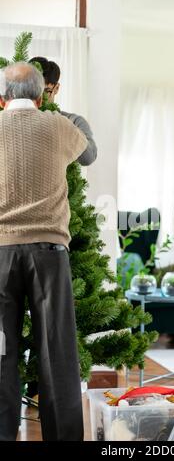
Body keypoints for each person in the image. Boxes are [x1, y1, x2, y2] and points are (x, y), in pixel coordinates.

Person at [0, 62, 88, 441]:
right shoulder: (59, 126)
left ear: (1, 99)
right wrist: (58, 111)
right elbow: (88, 155)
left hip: (0, 256)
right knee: (57, 351)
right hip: (49, 255)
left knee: (1, 351)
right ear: (42, 96)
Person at [29, 56, 97, 166]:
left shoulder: (74, 121)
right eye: (36, 91)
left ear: (56, 88)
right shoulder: (13, 119)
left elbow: (88, 158)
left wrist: (65, 125)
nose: (40, 98)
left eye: (46, 91)